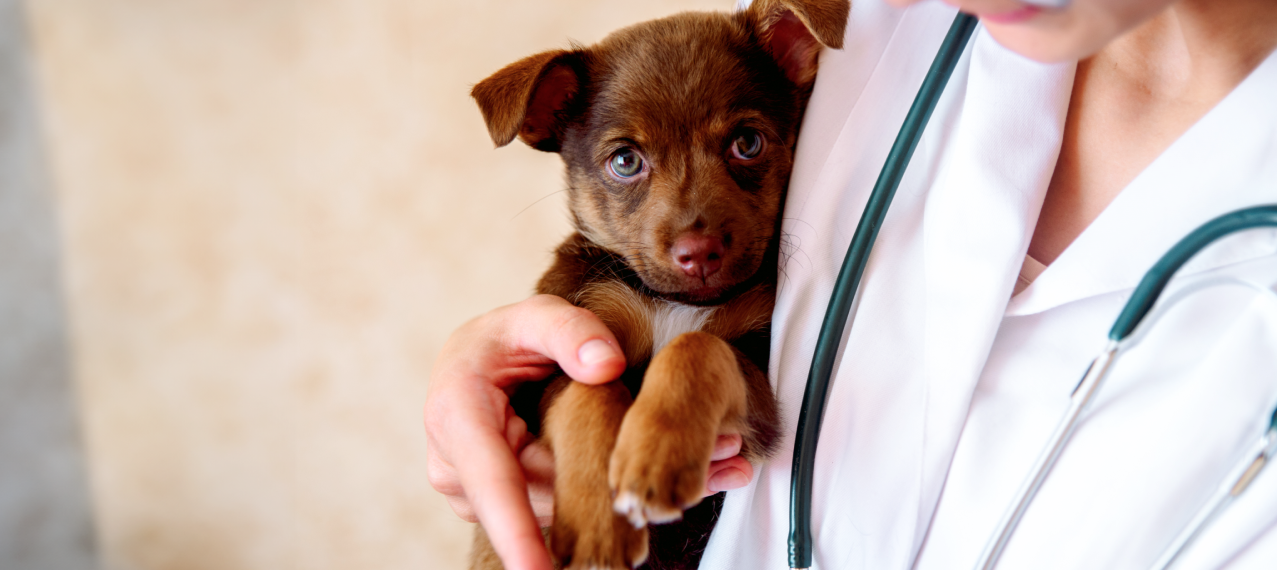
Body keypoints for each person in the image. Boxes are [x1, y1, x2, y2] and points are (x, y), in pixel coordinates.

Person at [425, 0, 1277, 568]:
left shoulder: (796, 38)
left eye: (745, 146)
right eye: (628, 163)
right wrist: (511, 383)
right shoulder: (865, 25)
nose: (691, 226)